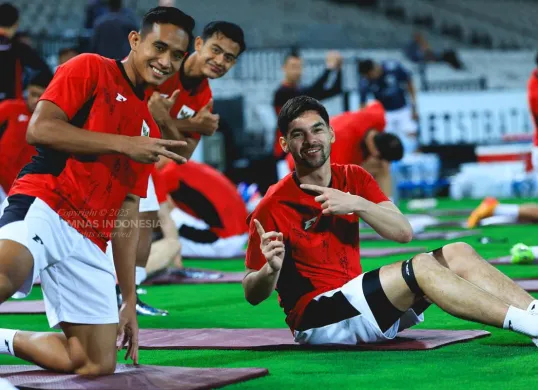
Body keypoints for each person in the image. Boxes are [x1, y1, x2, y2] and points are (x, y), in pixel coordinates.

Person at [243, 95, 538, 347]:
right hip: (317, 319)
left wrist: (356, 203)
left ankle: (534, 314)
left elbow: (403, 232)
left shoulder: (354, 177)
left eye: (317, 130)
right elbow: (251, 293)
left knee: (457, 251)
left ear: (331, 133)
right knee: (420, 267)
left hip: (357, 302)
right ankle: (529, 325)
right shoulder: (272, 205)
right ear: (284, 143)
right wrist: (270, 270)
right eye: (298, 134)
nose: (310, 140)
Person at [0, 6, 193, 374]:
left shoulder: (149, 126)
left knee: (93, 362)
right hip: (47, 202)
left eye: (177, 55)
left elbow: (127, 210)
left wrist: (129, 298)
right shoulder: (89, 67)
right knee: (6, 276)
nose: (166, 60)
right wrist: (124, 144)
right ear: (135, 40)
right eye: (159, 47)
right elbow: (40, 130)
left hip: (91, 235)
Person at [123, 21, 246, 314]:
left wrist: (168, 122)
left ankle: (128, 297)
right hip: (112, 157)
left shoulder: (204, 98)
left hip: (141, 164)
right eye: (216, 50)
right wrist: (189, 124)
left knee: (145, 225)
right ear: (199, 44)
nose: (220, 61)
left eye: (229, 58)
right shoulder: (163, 67)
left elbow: (181, 154)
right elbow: (130, 115)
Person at [285, 101, 403, 196]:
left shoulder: (377, 118)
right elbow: (333, 184)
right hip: (302, 163)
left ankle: (386, 211)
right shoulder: (341, 145)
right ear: (375, 151)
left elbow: (374, 103)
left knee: (381, 169)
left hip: (331, 143)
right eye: (381, 158)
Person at [154, 159, 249, 259]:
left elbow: (151, 209)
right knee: (168, 216)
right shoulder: (186, 165)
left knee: (162, 221)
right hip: (239, 237)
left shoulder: (169, 173)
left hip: (223, 242)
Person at [0, 71, 52, 203]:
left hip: (27, 189)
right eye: (33, 94)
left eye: (41, 96)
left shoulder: (54, 121)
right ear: (27, 92)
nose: (35, 100)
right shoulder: (10, 108)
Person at [358, 59, 418, 155]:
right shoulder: (365, 81)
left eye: (369, 75)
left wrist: (414, 106)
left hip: (402, 109)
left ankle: (413, 160)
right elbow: (362, 104)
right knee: (387, 142)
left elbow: (409, 82)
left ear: (373, 70)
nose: (369, 78)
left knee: (411, 136)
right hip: (385, 114)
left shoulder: (393, 68)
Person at [0, 3, 52, 102]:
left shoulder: (20, 48)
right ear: (16, 24)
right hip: (11, 104)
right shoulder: (21, 48)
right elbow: (45, 73)